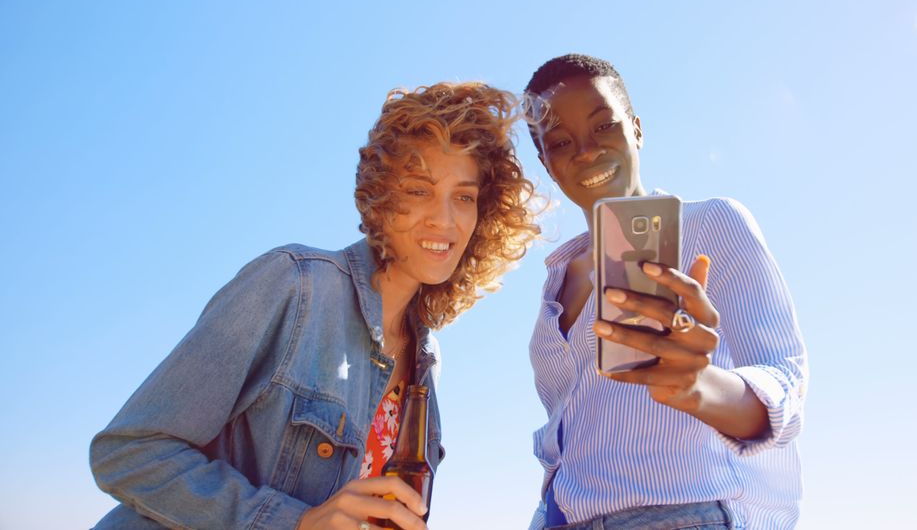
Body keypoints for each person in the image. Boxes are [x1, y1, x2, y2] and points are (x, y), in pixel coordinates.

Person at [89, 82, 540, 529]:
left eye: (463, 197)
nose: (444, 219)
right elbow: (130, 451)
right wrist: (296, 523)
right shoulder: (293, 285)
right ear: (382, 197)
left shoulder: (427, 359)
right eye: (419, 190)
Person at [522, 54, 808, 530]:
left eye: (604, 127)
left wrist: (698, 388)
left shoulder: (710, 224)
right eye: (560, 142)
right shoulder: (557, 276)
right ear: (547, 163)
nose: (585, 151)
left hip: (677, 513)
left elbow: (786, 382)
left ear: (636, 129)